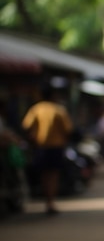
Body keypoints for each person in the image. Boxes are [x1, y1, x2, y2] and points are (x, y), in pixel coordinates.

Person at [21, 85, 73, 215]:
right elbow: (68, 129)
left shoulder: (35, 109)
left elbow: (26, 125)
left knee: (44, 174)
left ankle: (47, 200)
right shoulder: (59, 110)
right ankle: (51, 202)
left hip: (41, 147)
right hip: (56, 147)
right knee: (53, 175)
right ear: (53, 95)